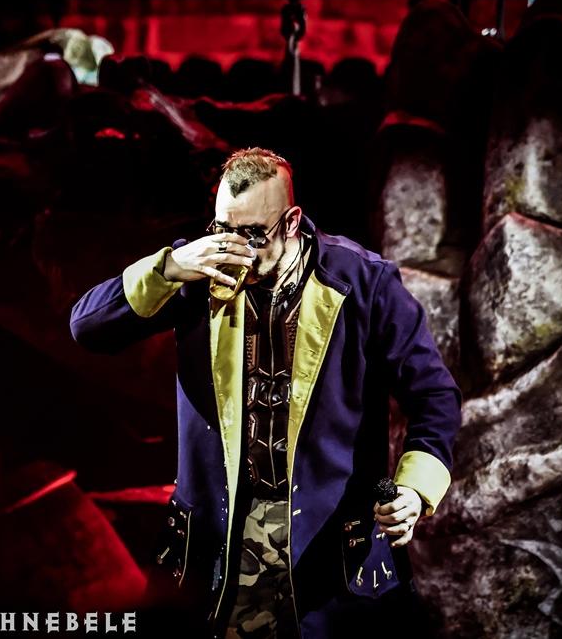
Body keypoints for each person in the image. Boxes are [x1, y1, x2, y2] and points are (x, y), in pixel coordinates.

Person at [69, 148, 461, 639]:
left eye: (254, 234)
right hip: (215, 549)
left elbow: (433, 396)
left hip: (328, 556)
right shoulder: (197, 272)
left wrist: (415, 489)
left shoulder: (364, 281)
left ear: (291, 222)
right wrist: (167, 268)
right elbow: (87, 328)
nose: (237, 248)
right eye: (223, 229)